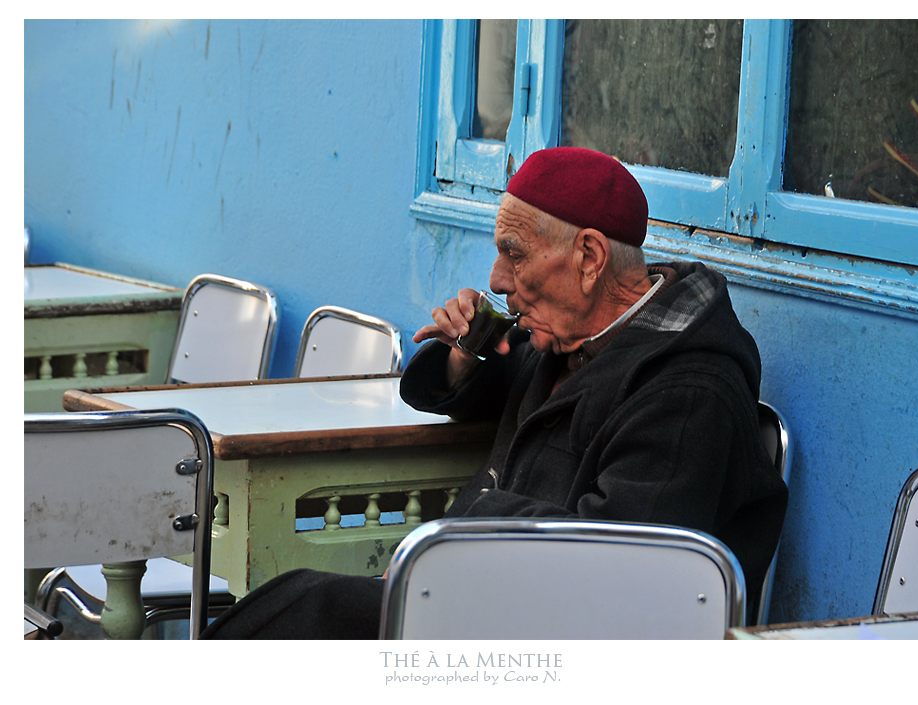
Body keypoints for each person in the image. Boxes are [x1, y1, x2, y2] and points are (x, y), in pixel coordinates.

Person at [201, 147, 787, 639]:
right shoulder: (569, 334)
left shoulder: (686, 394)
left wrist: (450, 542)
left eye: (514, 252)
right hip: (486, 595)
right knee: (289, 608)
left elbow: (626, 566)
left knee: (300, 617)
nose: (496, 280)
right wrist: (466, 353)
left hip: (543, 635)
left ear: (588, 258)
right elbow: (482, 387)